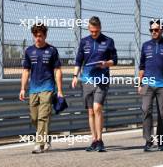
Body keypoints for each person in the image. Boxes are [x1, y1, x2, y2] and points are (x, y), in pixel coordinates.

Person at [71, 16, 118, 152]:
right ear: (88, 29)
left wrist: (106, 64)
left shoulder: (108, 41)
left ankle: (100, 140)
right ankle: (94, 140)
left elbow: (115, 60)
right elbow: (79, 61)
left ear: (100, 28)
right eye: (91, 31)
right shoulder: (84, 42)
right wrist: (75, 76)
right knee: (90, 111)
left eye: (96, 31)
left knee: (97, 108)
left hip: (102, 79)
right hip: (87, 80)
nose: (94, 34)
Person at [19, 23, 63, 154]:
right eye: (36, 36)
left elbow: (57, 71)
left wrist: (59, 90)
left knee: (43, 116)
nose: (38, 38)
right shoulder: (29, 51)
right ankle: (46, 137)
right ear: (33, 36)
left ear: (45, 36)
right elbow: (26, 71)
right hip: (33, 89)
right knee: (34, 117)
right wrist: (22, 88)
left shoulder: (52, 50)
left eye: (40, 36)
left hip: (48, 87)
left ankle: (38, 144)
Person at [138, 19, 163, 152]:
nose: (153, 32)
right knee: (145, 110)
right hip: (147, 84)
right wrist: (139, 84)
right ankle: (148, 141)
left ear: (162, 30)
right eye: (151, 30)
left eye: (156, 30)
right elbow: (142, 67)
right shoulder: (145, 45)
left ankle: (161, 142)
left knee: (162, 114)